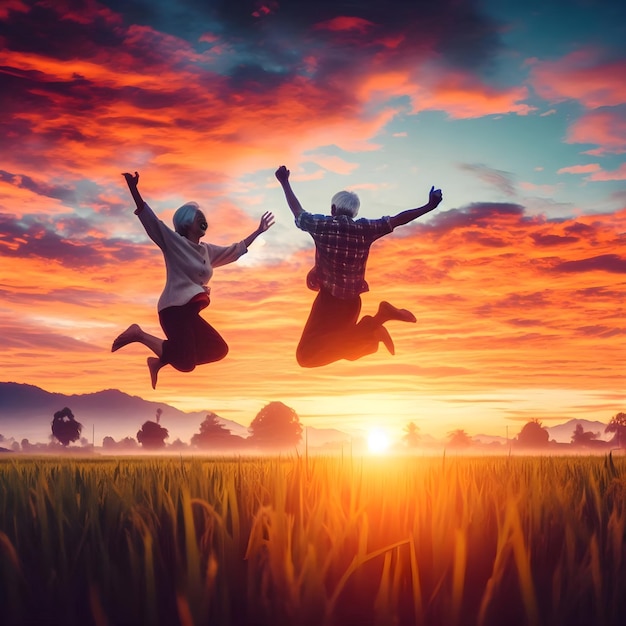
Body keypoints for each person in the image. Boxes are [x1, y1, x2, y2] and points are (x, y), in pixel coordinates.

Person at [112, 171, 274, 388]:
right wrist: (133, 188)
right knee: (186, 364)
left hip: (188, 312)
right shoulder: (173, 242)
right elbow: (150, 221)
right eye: (200, 219)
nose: (204, 222)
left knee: (218, 349)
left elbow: (235, 250)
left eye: (204, 219)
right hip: (172, 310)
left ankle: (160, 360)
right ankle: (139, 334)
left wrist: (258, 231)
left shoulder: (207, 251)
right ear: (188, 223)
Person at [275, 165, 442, 368]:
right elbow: (398, 219)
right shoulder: (365, 228)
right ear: (354, 212)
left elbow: (297, 211)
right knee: (350, 347)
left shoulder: (321, 225)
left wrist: (284, 181)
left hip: (329, 302)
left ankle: (376, 322)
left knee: (307, 356)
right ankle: (380, 318)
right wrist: (429, 206)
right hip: (352, 303)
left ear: (333, 209)